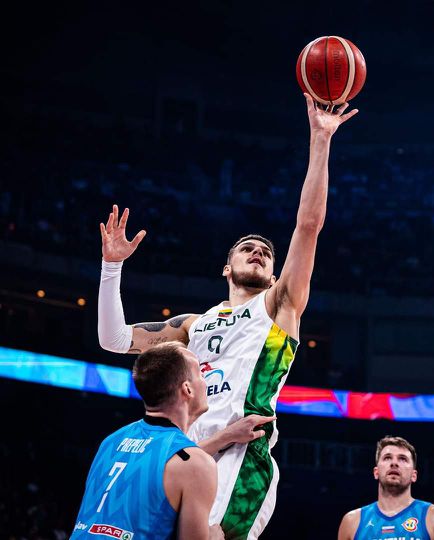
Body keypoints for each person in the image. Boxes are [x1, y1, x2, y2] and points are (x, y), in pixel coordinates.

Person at [97, 93, 358, 540]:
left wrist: (320, 139)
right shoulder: (191, 325)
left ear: (275, 272)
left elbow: (308, 226)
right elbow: (114, 340)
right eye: (247, 248)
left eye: (266, 253)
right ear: (226, 267)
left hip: (242, 450)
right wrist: (111, 266)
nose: (258, 252)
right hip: (185, 448)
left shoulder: (279, 305)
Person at [72, 342, 224, 540]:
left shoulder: (111, 441)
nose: (206, 382)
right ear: (187, 389)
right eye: (201, 375)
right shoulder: (195, 464)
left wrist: (226, 436)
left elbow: (160, 463)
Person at [337, 436, 434, 540]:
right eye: (387, 458)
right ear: (376, 472)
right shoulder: (352, 522)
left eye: (402, 459)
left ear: (414, 476)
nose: (394, 463)